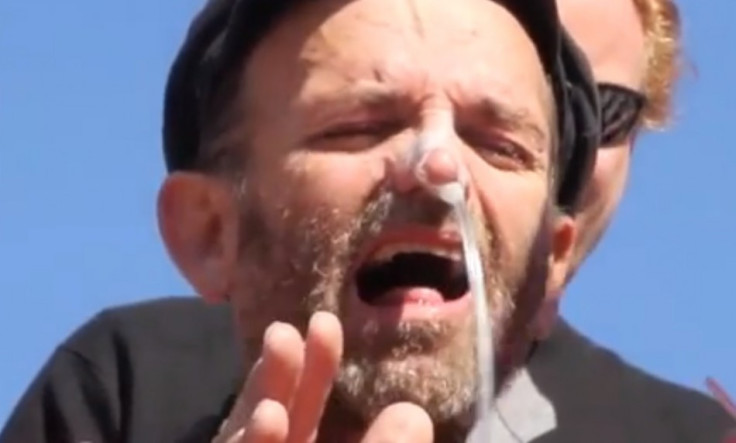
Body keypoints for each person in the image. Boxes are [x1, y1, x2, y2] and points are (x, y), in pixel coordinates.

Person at [0, 0, 601, 442]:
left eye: (498, 145)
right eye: (359, 127)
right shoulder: (121, 395)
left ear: (553, 259)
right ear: (210, 232)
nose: (439, 166)